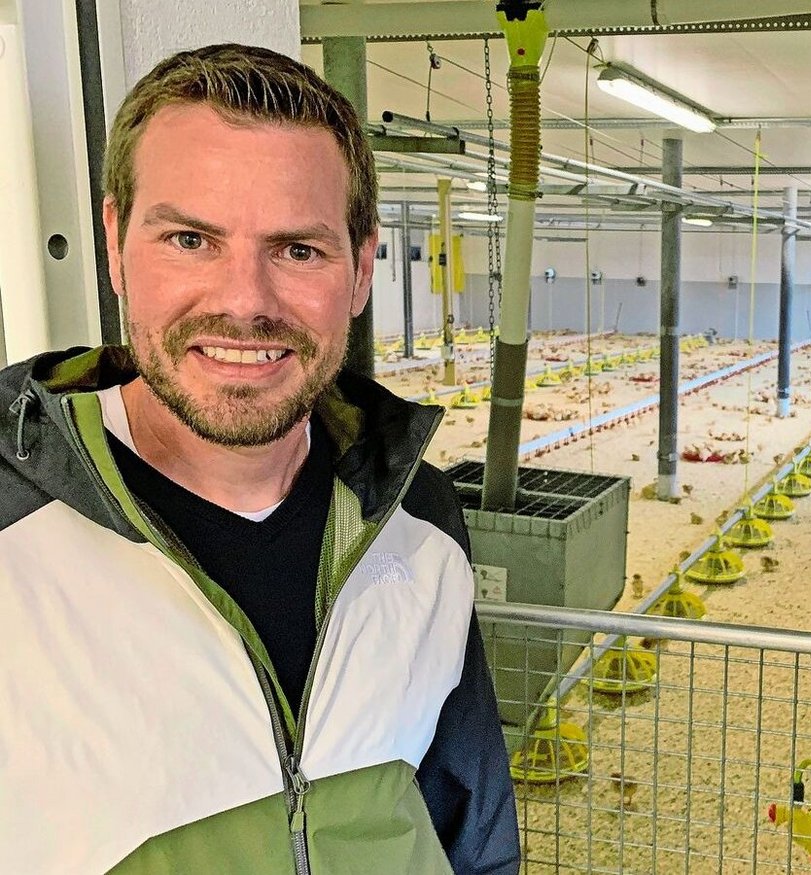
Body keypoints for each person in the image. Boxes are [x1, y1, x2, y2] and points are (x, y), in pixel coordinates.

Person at [0, 44, 520, 874]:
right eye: (190, 239)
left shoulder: (419, 519)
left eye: (298, 250)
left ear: (359, 268)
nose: (245, 301)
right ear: (114, 244)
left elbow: (472, 831)